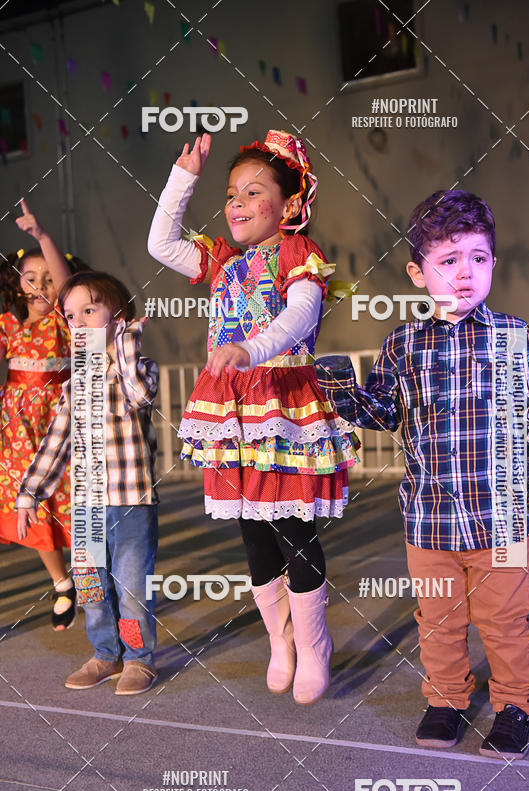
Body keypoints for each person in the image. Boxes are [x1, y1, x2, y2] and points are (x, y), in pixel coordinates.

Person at [316, 190, 529, 758]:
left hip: (502, 515)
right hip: (429, 518)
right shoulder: (403, 342)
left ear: (493, 265)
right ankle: (447, 698)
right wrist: (339, 389)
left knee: (505, 621)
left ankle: (515, 705)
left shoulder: (510, 335)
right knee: (438, 618)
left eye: (478, 258)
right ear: (417, 272)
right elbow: (383, 413)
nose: (465, 273)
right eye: (449, 260)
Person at [148, 129, 358, 705]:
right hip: (230, 412)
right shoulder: (221, 259)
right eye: (231, 193)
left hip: (283, 404)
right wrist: (183, 177)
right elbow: (160, 244)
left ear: (289, 205)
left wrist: (251, 350)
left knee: (294, 532)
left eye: (253, 192)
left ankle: (315, 645)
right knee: (253, 535)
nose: (237, 203)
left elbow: (299, 316)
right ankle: (279, 640)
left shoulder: (297, 253)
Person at [16, 271, 160, 696]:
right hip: (86, 506)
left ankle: (137, 659)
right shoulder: (74, 386)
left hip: (131, 501)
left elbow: (133, 396)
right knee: (91, 586)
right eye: (71, 317)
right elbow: (54, 444)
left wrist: (124, 341)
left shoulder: (139, 369)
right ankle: (105, 654)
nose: (78, 323)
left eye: (89, 311)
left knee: (132, 588)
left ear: (118, 317)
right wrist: (29, 493)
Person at [0, 200, 84, 630]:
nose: (39, 287)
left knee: (75, 506)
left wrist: (43, 237)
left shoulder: (65, 323)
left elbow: (69, 290)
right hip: (17, 434)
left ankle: (90, 580)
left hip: (62, 426)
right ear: (16, 285)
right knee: (34, 510)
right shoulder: (8, 326)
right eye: (30, 279)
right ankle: (61, 582)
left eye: (48, 280)